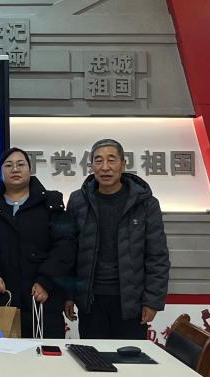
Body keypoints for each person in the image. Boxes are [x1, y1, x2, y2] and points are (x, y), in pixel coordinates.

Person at [64, 139, 170, 340]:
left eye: (111, 160)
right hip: (91, 301)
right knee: (93, 356)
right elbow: (69, 252)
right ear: (91, 166)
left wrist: (152, 301)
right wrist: (68, 295)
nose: (105, 167)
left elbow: (157, 256)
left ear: (123, 164)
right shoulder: (78, 201)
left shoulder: (145, 203)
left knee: (130, 357)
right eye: (98, 161)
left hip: (131, 302)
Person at [0, 147, 75, 338]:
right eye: (8, 165)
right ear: (0, 171)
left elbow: (65, 246)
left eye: (20, 164)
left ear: (30, 169)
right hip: (1, 297)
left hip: (43, 297)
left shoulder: (50, 201)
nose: (15, 169)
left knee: (46, 354)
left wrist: (45, 281)